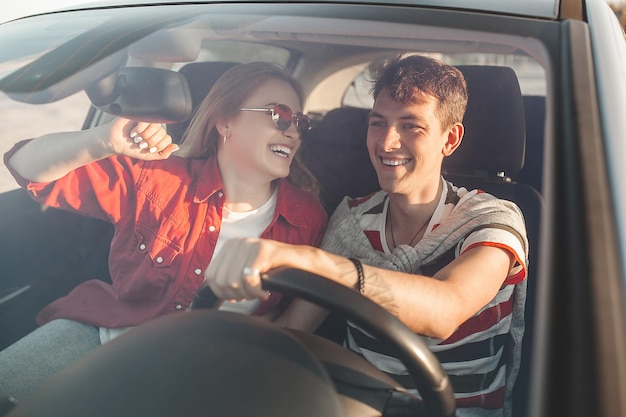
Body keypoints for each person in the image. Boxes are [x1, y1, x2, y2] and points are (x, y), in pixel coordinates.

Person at [205, 55, 528, 417]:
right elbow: (294, 330)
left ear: (449, 139)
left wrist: (317, 262)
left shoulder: (491, 219)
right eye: (378, 123)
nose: (388, 142)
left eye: (411, 127)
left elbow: (446, 309)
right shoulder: (353, 219)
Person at [0, 62, 327, 399]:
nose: (293, 132)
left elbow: (300, 309)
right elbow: (27, 169)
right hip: (104, 338)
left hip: (208, 373)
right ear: (225, 121)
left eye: (300, 123)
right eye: (280, 115)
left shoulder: (308, 218)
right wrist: (103, 140)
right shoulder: (160, 178)